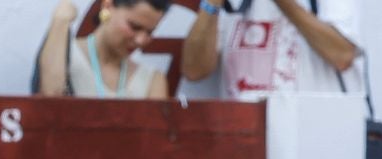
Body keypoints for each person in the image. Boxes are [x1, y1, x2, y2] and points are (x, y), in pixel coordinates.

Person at [181, 0, 358, 100]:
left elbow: (342, 55)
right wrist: (211, 4)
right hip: (243, 143)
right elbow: (193, 70)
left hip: (313, 142)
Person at [37, 0, 170, 100]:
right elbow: (50, 98)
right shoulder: (64, 54)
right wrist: (60, 22)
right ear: (107, 6)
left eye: (149, 32)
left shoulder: (151, 79)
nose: (140, 40)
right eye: (134, 27)